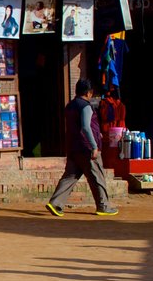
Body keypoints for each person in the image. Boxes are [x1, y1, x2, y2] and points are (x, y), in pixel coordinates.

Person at [46, 79, 118, 217]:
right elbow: (85, 127)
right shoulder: (85, 106)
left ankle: (56, 203)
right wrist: (94, 145)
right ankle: (103, 206)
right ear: (89, 93)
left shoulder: (70, 106)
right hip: (86, 148)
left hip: (73, 147)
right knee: (98, 177)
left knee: (70, 176)